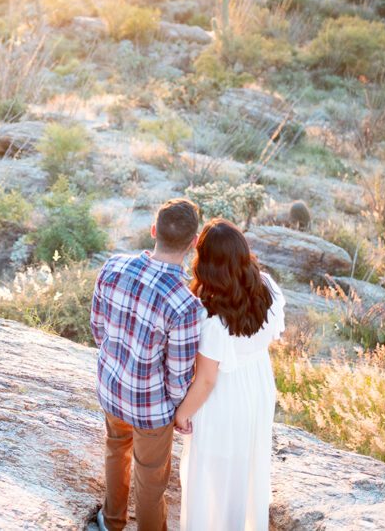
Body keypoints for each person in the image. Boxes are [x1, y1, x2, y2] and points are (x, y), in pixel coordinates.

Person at [91, 199, 204, 531]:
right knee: (151, 483)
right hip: (151, 409)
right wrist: (180, 411)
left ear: (153, 230)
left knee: (115, 451)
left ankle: (111, 523)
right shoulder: (186, 305)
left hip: (111, 390)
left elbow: (98, 330)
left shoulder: (112, 266)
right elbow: (178, 377)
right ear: (194, 243)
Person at [175, 218, 286, 531]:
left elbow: (207, 379)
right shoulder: (267, 287)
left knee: (213, 473)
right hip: (259, 382)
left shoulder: (211, 316)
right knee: (247, 467)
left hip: (225, 395)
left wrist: (183, 414)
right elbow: (269, 337)